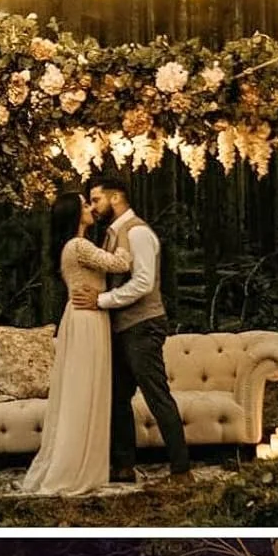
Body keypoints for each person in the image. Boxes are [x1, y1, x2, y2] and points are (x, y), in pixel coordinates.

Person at [68, 172, 190, 488]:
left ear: (116, 197)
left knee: (155, 394)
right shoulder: (112, 234)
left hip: (143, 325)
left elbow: (143, 282)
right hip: (122, 326)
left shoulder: (137, 233)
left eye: (96, 199)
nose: (93, 207)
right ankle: (123, 466)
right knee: (117, 397)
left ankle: (181, 469)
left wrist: (102, 301)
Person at [21, 190, 134, 496]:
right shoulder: (79, 245)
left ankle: (83, 460)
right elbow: (121, 263)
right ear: (74, 214)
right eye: (85, 205)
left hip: (83, 314)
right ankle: (76, 465)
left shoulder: (73, 246)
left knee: (85, 388)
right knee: (86, 389)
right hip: (87, 318)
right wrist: (125, 233)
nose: (90, 209)